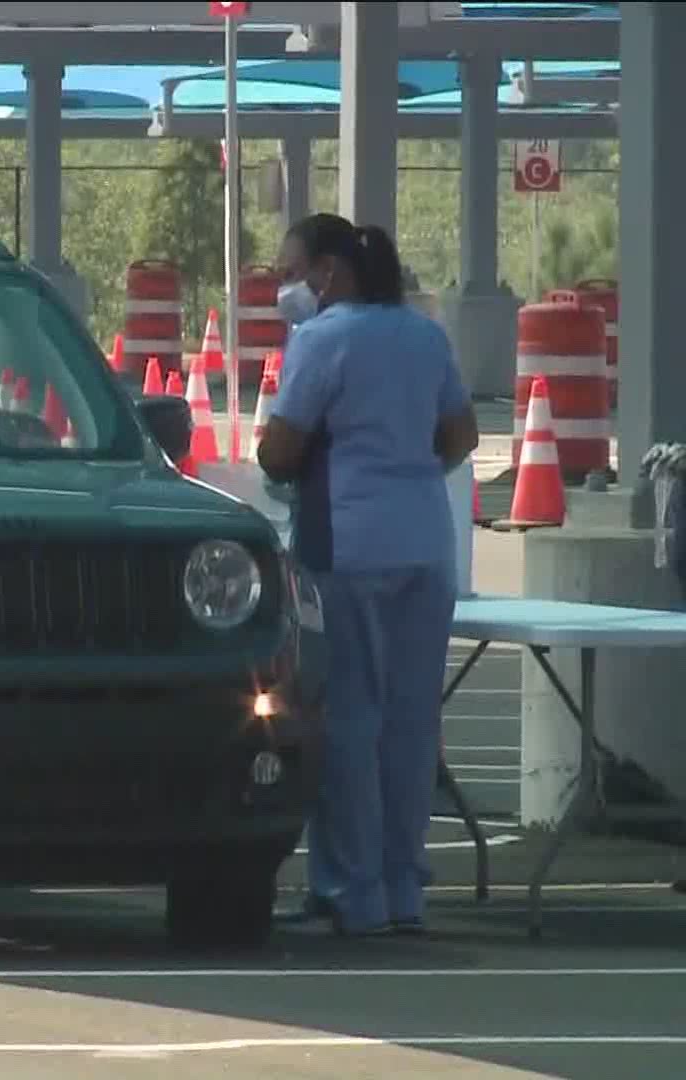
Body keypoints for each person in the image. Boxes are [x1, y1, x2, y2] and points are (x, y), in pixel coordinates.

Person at [257, 212, 481, 938]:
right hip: (424, 544)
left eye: (291, 273)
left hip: (346, 547)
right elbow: (460, 435)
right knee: (412, 725)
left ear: (327, 273)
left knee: (347, 719)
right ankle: (402, 886)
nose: (284, 287)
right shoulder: (423, 333)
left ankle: (351, 892)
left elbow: (280, 449)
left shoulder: (321, 339)